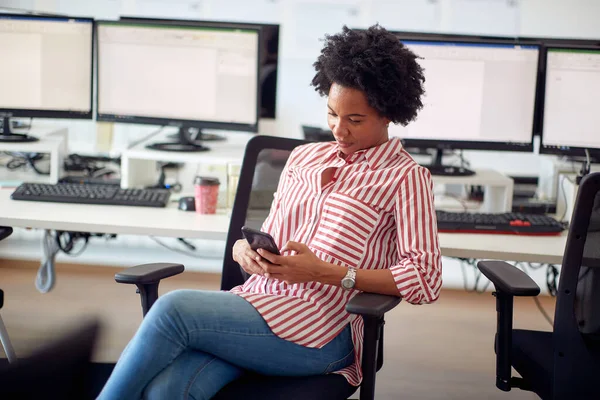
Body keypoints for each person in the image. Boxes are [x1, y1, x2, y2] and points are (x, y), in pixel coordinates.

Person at [98, 24, 442, 400]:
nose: (338, 130)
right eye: (331, 114)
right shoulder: (303, 158)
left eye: (354, 120)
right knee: (168, 390)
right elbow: (270, 238)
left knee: (172, 310)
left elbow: (424, 279)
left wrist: (330, 274)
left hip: (320, 330)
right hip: (255, 306)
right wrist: (243, 253)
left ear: (389, 113)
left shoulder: (407, 178)